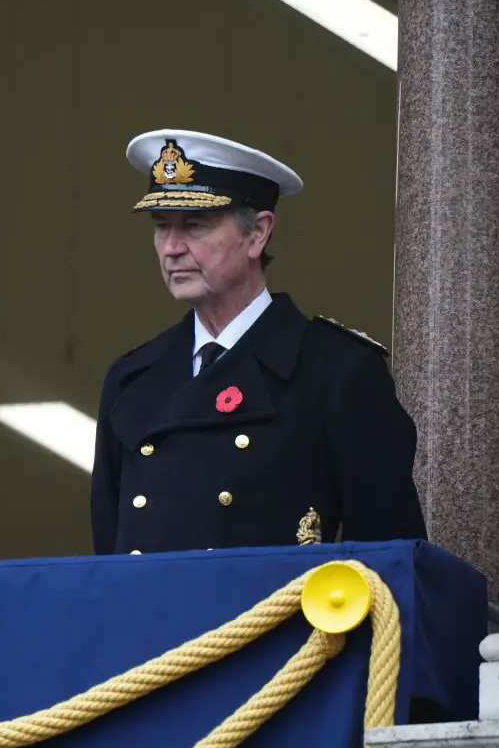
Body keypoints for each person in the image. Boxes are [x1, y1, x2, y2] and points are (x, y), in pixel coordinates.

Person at [90, 128, 427, 556]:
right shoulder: (131, 380)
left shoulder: (337, 371)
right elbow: (107, 558)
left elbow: (390, 561)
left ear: (258, 234)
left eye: (194, 225)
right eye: (161, 227)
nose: (171, 247)